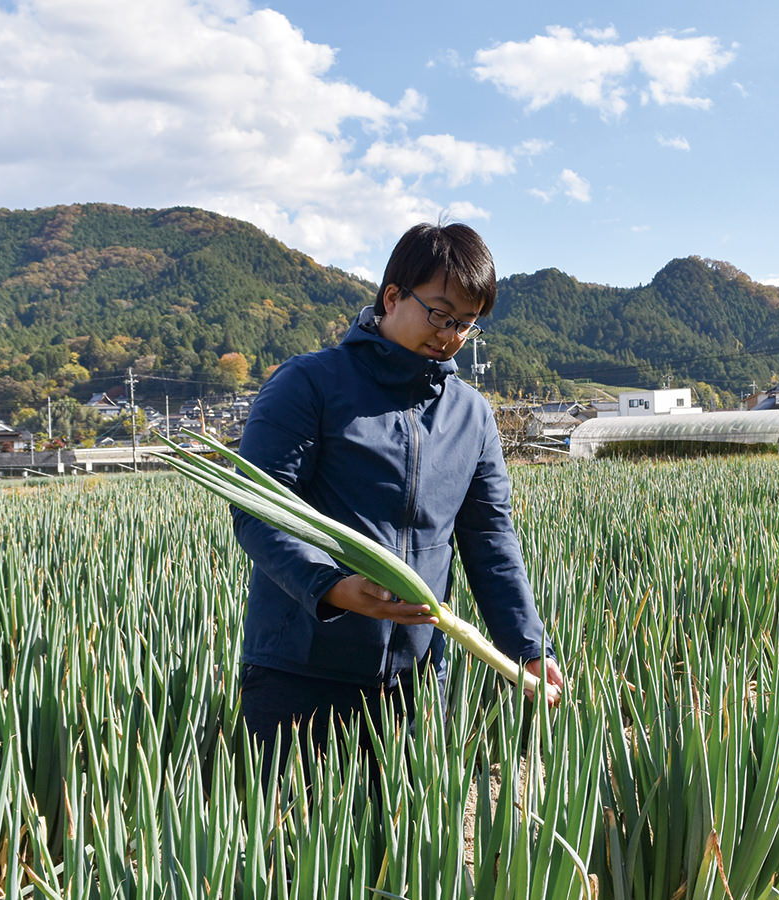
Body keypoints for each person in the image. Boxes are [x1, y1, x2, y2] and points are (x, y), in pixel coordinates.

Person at [232, 221, 566, 768]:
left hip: (411, 687)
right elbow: (258, 512)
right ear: (392, 297)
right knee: (292, 846)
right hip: (301, 672)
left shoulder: (471, 415)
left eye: (466, 323)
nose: (450, 334)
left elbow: (490, 542)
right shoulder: (309, 385)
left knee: (405, 850)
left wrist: (528, 650)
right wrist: (334, 587)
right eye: (439, 313)